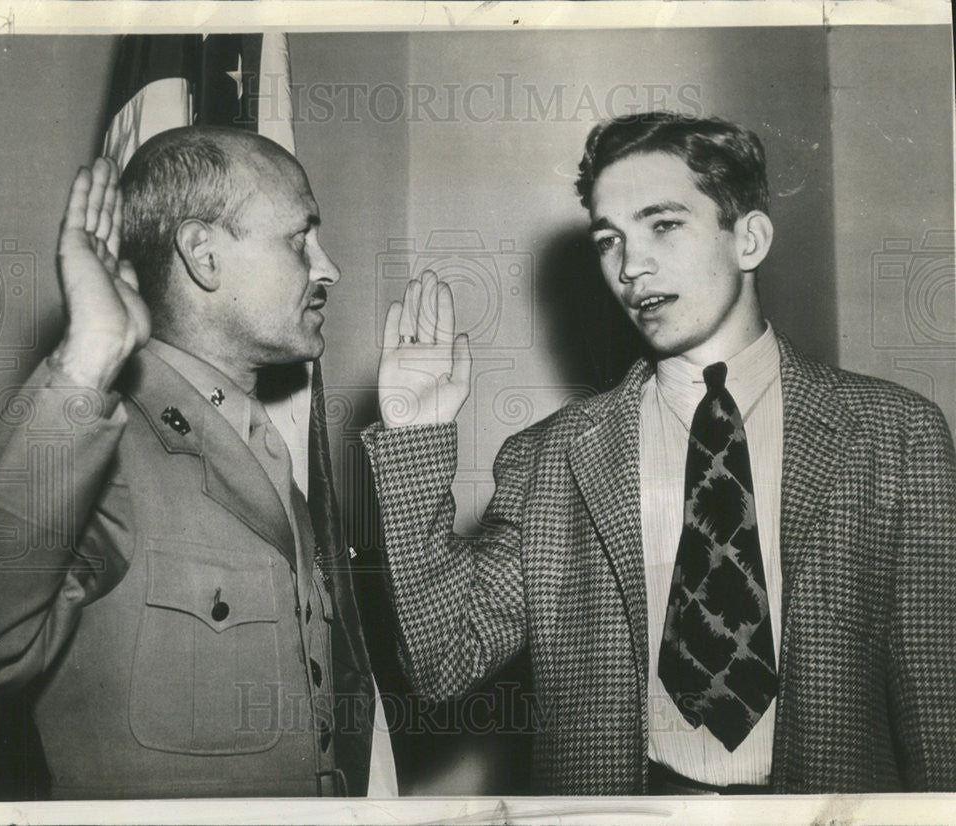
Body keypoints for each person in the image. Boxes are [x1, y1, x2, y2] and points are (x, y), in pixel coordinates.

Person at [361, 112, 956, 795]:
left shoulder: (896, 436)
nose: (630, 266)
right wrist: (415, 433)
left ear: (750, 238)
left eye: (663, 225)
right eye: (609, 239)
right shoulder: (552, 457)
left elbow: (940, 717)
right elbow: (443, 663)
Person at [0, 126, 394, 798]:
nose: (329, 268)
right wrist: (88, 356)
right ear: (204, 254)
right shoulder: (106, 450)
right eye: (301, 237)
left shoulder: (262, 454)